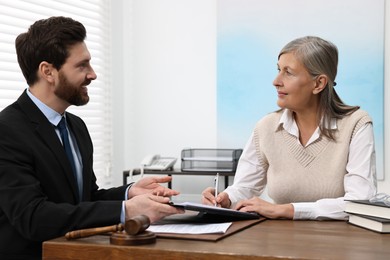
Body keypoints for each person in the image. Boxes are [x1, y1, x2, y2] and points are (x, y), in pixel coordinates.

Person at [0, 16, 183, 259]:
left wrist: (129, 193)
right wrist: (125, 210)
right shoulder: (7, 130)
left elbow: (85, 199)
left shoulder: (76, 127)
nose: (93, 74)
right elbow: (33, 217)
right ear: (48, 72)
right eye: (82, 65)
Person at [202, 36, 377, 220]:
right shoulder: (266, 127)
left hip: (339, 243)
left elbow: (360, 202)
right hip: (279, 241)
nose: (276, 81)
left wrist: (288, 210)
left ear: (318, 84)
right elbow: (245, 187)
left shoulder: (357, 124)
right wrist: (226, 199)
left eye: (288, 72)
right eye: (279, 70)